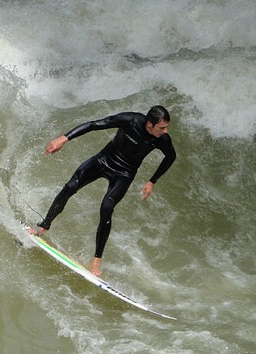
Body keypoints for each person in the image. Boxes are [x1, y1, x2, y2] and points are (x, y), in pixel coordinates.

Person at [32, 105, 177, 277]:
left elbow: (171, 157)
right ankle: (43, 227)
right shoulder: (130, 120)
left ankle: (95, 261)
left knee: (107, 207)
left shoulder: (162, 140)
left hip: (124, 173)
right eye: (162, 127)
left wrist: (152, 181)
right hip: (103, 160)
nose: (165, 131)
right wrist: (64, 138)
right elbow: (94, 124)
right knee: (70, 186)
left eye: (166, 127)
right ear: (149, 124)